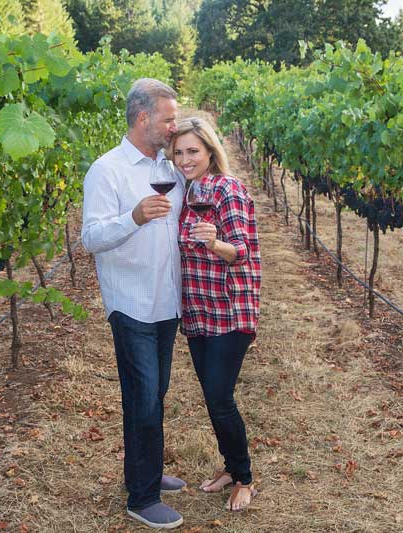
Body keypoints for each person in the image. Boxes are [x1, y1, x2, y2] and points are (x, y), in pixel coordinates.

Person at [81, 78, 187, 529]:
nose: (174, 126)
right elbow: (91, 237)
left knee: (154, 394)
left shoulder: (168, 166)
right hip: (131, 302)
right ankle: (142, 499)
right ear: (143, 118)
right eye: (168, 119)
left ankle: (145, 471)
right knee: (143, 398)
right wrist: (134, 217)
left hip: (166, 299)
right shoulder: (106, 170)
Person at [170, 117, 261, 512]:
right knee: (212, 396)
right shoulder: (187, 191)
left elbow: (242, 250)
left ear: (210, 150)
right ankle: (230, 466)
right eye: (178, 152)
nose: (185, 159)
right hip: (198, 311)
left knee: (221, 398)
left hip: (228, 310)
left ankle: (244, 478)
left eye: (193, 151)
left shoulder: (228, 189)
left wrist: (215, 243)